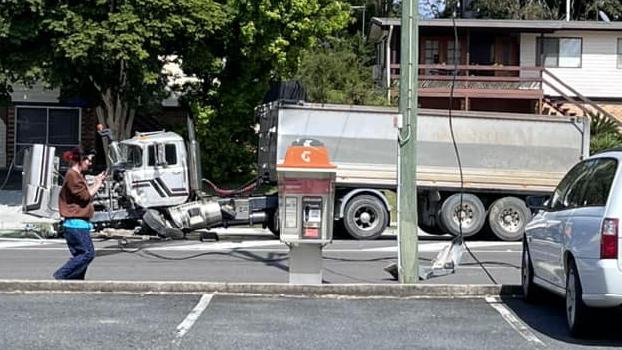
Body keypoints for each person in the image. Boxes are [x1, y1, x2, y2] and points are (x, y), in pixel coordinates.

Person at [53, 147, 106, 280]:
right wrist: (98, 184)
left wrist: (95, 181)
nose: (90, 163)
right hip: (75, 223)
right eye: (88, 160)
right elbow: (85, 196)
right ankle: (61, 276)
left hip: (78, 223)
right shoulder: (73, 175)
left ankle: (75, 282)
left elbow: (83, 192)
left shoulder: (77, 175)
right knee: (87, 254)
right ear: (81, 160)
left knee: (81, 256)